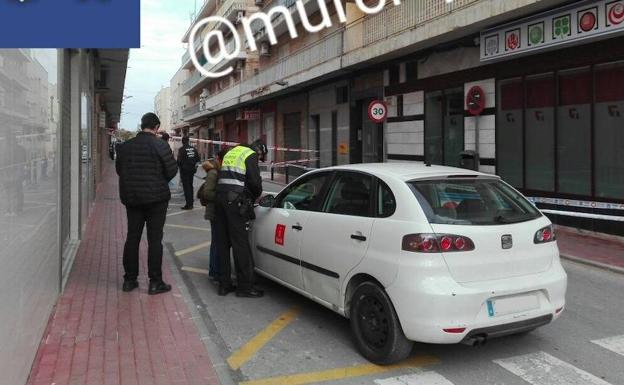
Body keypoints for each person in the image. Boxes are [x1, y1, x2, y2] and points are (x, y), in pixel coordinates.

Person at [116, 112, 178, 295]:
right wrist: (158, 180)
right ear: (156, 127)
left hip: (132, 198)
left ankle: (129, 280)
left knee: (132, 237)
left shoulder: (125, 147)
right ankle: (155, 282)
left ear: (141, 125)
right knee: (154, 239)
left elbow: (120, 170)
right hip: (156, 200)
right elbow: (172, 170)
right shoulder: (161, 145)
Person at [214, 139, 267, 297]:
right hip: (235, 202)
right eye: (260, 156)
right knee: (240, 244)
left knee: (223, 244)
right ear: (258, 150)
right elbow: (255, 183)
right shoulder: (249, 155)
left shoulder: (233, 151)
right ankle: (245, 287)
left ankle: (224, 285)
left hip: (220, 200)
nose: (259, 159)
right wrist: (254, 196)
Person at [177, 136, 200, 210]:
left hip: (184, 171)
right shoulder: (194, 149)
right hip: (192, 170)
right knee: (190, 186)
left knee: (186, 188)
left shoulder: (181, 149)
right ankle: (191, 203)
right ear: (188, 141)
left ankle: (188, 204)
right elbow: (198, 159)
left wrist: (180, 167)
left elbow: (179, 161)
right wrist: (195, 168)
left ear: (182, 141)